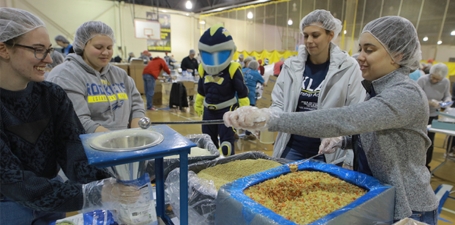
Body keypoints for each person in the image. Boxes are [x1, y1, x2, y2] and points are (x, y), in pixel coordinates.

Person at [224, 16, 438, 224]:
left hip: (409, 209)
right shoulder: (377, 87)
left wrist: (270, 118)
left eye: (369, 50)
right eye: (361, 48)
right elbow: (377, 133)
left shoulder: (405, 94)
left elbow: (345, 118)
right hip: (380, 197)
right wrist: (343, 141)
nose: (360, 56)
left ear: (398, 55)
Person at [0, 7, 141, 224]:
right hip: (7, 205)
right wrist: (92, 194)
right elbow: (11, 180)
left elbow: (73, 151)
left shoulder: (51, 95)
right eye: (38, 50)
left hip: (52, 198)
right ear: (3, 49)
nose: (49, 59)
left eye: (49, 50)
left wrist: (111, 182)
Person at [262, 10, 367, 163]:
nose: (309, 40)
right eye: (305, 35)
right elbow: (279, 103)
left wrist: (346, 151)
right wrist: (265, 118)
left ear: (330, 35)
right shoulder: (291, 66)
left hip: (328, 149)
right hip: (293, 145)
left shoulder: (348, 68)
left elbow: (355, 112)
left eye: (315, 35)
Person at [46, 21, 145, 133]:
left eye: (109, 47)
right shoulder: (65, 75)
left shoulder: (120, 75)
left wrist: (137, 134)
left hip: (122, 142)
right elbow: (78, 120)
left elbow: (136, 106)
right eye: (99, 47)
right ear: (82, 45)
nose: (106, 52)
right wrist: (117, 142)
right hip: (87, 145)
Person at [195, 24, 250, 156]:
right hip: (208, 111)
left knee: (227, 145)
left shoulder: (232, 69)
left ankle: (226, 168)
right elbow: (201, 89)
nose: (214, 60)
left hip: (227, 111)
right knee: (208, 142)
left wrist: (244, 109)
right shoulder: (202, 68)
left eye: (219, 55)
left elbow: (242, 92)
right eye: (209, 55)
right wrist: (198, 102)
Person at [417, 63, 451, 171]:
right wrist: (429, 102)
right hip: (420, 115)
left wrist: (447, 101)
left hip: (433, 115)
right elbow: (414, 96)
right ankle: (415, 165)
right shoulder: (422, 80)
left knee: (430, 142)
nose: (434, 80)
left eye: (437, 79)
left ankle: (426, 166)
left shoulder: (446, 82)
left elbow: (447, 95)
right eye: (433, 77)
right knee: (418, 141)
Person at [242, 60, 264, 140]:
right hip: (250, 96)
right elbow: (265, 84)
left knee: (238, 113)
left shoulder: (242, 70)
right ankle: (248, 133)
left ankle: (234, 131)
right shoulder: (256, 74)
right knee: (250, 115)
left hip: (240, 96)